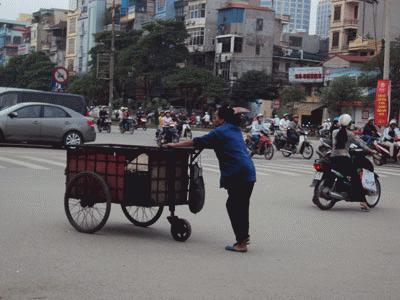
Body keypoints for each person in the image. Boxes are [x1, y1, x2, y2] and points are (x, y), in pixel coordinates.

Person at [165, 105, 256, 252]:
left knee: (233, 206)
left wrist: (174, 145)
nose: (213, 119)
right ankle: (243, 238)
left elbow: (196, 142)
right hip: (249, 173)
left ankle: (241, 242)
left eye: (215, 116)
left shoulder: (219, 132)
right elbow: (219, 144)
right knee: (241, 206)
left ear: (221, 119)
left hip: (237, 173)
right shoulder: (234, 129)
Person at [330, 114, 375, 211]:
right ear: (349, 124)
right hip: (344, 158)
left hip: (333, 157)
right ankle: (363, 202)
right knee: (355, 179)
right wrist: (371, 151)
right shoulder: (350, 134)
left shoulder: (334, 132)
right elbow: (361, 143)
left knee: (344, 174)